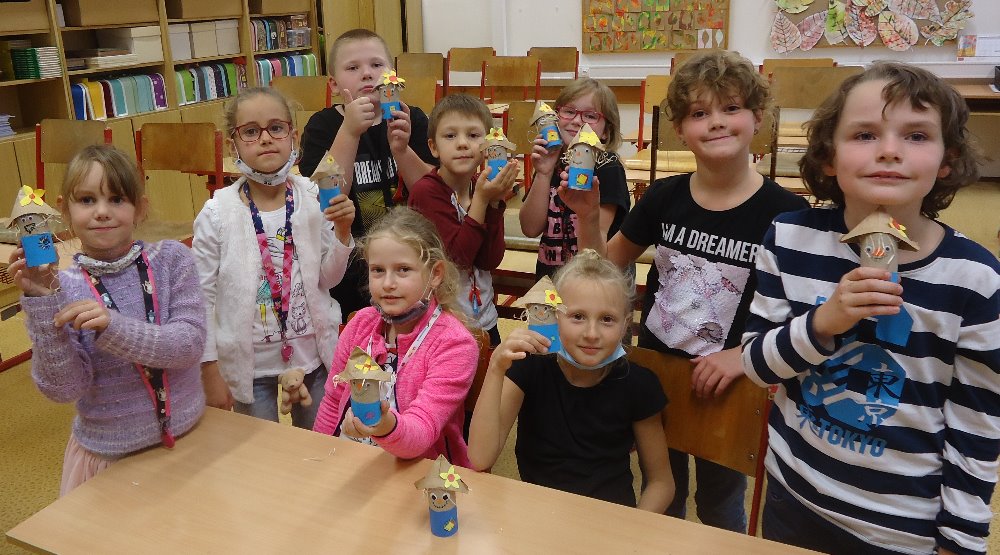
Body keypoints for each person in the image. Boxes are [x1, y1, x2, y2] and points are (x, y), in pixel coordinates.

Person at [736, 62, 999, 555]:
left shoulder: (975, 280)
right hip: (795, 495)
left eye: (916, 135)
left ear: (947, 159)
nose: (889, 150)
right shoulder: (789, 238)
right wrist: (823, 323)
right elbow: (755, 364)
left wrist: (960, 541)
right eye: (864, 134)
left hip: (899, 530)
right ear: (828, 156)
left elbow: (977, 426)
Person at [563, 51, 809, 532]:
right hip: (658, 375)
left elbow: (801, 314)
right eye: (699, 112)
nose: (716, 122)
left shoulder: (784, 214)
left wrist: (743, 357)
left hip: (730, 383)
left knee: (720, 505)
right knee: (663, 493)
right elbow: (603, 269)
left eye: (731, 108)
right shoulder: (664, 196)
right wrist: (589, 217)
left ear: (758, 117)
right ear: (679, 128)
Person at [10, 144, 206, 495]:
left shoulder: (173, 260)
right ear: (64, 210)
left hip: (188, 439)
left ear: (140, 207)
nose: (102, 212)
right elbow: (64, 389)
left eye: (116, 199)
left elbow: (188, 345)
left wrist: (112, 326)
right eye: (87, 200)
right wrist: (41, 303)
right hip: (108, 458)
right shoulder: (63, 287)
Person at [193, 87, 355, 430]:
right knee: (259, 452)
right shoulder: (217, 213)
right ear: (233, 145)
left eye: (276, 128)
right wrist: (209, 369)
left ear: (293, 136)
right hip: (250, 369)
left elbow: (328, 279)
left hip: (313, 358)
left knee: (320, 445)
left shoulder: (313, 197)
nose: (265, 139)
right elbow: (201, 297)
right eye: (251, 131)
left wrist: (342, 233)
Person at [468, 249, 673, 511]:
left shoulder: (639, 385)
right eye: (578, 316)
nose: (591, 333)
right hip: (539, 513)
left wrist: (634, 529)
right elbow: (480, 457)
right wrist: (496, 367)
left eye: (607, 319)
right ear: (555, 317)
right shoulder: (529, 367)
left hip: (609, 518)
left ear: (625, 325)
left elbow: (661, 483)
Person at [312, 207, 479, 468]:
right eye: (378, 270)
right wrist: (319, 457)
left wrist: (384, 426)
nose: (388, 283)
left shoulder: (455, 344)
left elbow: (423, 431)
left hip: (419, 471)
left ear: (435, 274)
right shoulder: (360, 324)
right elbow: (333, 401)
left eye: (403, 270)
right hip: (352, 463)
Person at [299, 28, 437, 316]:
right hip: (351, 265)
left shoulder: (412, 118)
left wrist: (402, 150)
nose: (366, 74)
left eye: (376, 64)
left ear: (392, 74)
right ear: (334, 84)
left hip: (411, 259)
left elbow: (433, 192)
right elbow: (326, 199)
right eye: (353, 68)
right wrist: (349, 131)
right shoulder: (322, 126)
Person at [408, 94, 519, 345]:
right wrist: (482, 200)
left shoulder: (479, 187)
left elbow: (489, 260)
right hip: (442, 325)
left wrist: (494, 204)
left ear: (487, 145)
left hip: (484, 319)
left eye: (473, 135)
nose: (462, 144)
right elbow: (457, 259)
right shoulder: (427, 192)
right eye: (450, 136)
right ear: (433, 147)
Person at [519, 77, 630, 279]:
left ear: (606, 131)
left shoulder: (608, 167)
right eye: (569, 112)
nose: (577, 121)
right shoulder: (552, 160)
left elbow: (595, 254)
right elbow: (530, 228)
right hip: (551, 281)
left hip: (593, 280)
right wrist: (543, 174)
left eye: (590, 116)